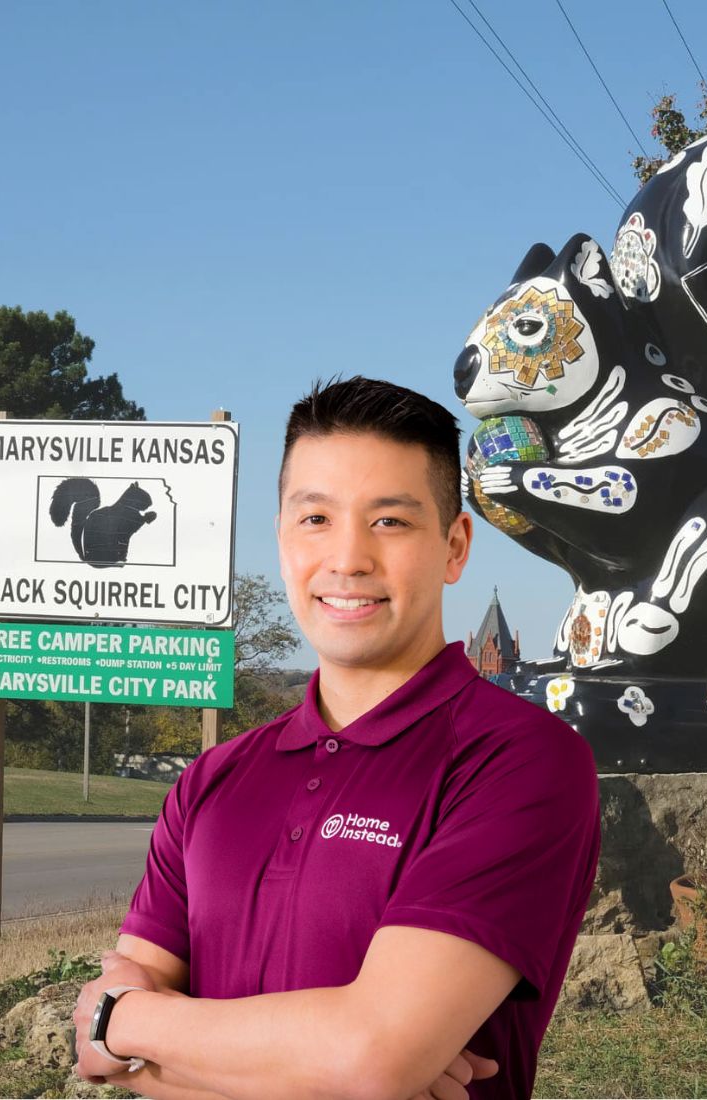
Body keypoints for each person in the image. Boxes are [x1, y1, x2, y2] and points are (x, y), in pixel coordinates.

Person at [73, 377, 600, 1100]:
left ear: (454, 546)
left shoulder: (521, 759)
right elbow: (98, 1056)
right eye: (315, 518)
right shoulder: (212, 781)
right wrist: (332, 1065)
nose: (347, 559)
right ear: (283, 539)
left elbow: (368, 1057)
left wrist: (128, 1022)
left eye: (389, 522)